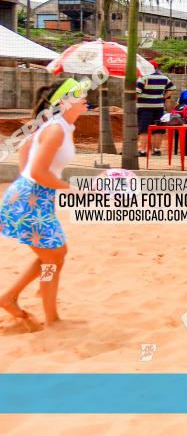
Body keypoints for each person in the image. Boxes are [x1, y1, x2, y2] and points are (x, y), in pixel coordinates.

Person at [0, 78, 91, 330]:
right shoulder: (56, 128)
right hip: (32, 199)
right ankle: (44, 315)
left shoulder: (61, 125)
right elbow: (39, 171)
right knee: (54, 256)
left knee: (53, 256)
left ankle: (15, 300)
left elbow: (25, 148)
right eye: (77, 93)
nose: (84, 96)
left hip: (35, 197)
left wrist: (23, 181)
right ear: (63, 101)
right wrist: (74, 190)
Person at [137, 60, 175, 157]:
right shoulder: (164, 78)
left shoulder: (143, 78)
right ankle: (157, 150)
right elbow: (171, 89)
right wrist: (163, 97)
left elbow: (136, 93)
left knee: (144, 129)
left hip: (144, 108)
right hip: (159, 107)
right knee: (158, 129)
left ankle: (142, 151)